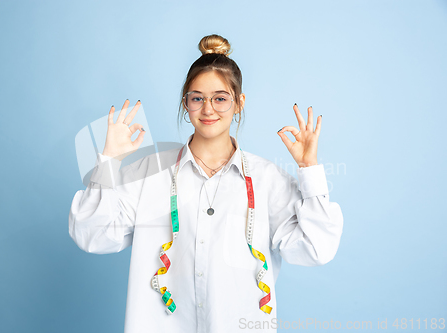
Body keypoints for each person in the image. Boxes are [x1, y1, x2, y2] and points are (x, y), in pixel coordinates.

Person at [69, 34, 344, 333]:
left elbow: (317, 249)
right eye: (197, 97)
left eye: (220, 98)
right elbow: (92, 235)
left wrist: (310, 170)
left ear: (239, 103)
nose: (208, 109)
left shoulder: (268, 179)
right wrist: (108, 161)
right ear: (185, 103)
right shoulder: (149, 172)